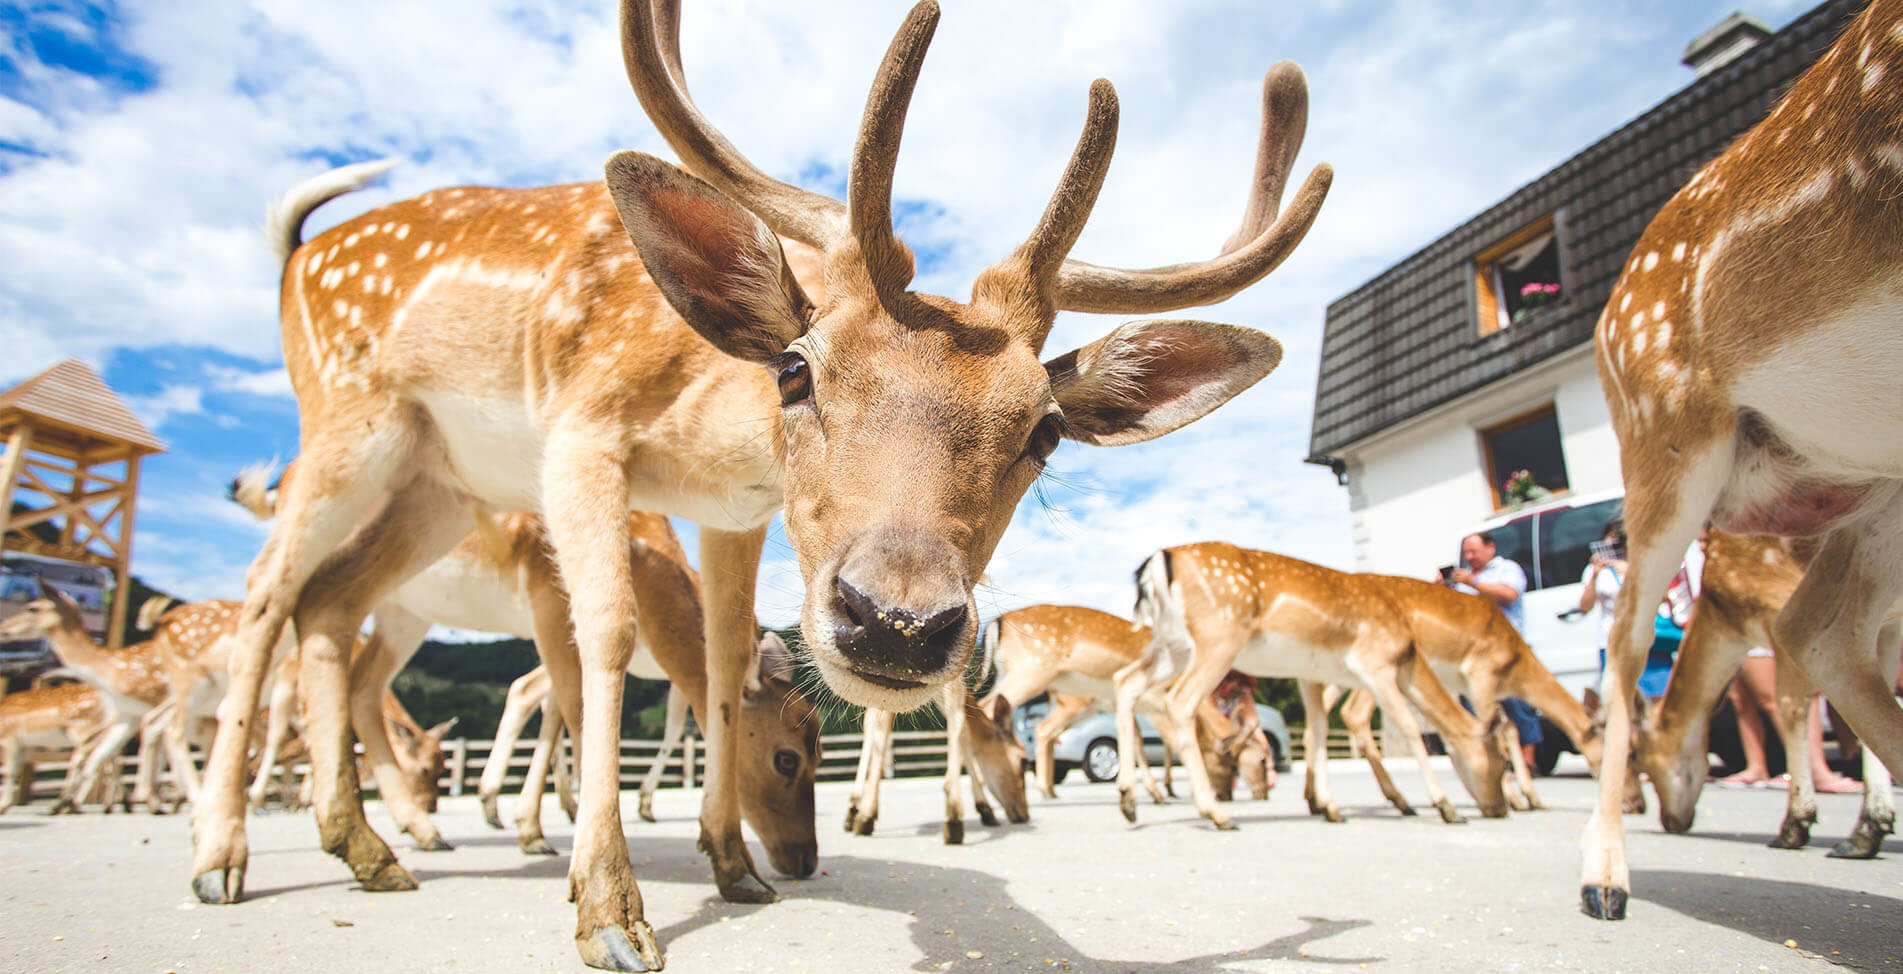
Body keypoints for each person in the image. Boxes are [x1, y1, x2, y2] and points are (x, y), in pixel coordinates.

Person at [1450, 531, 1541, 771]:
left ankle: (1528, 760)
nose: (1469, 557)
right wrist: (1443, 591)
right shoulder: (1464, 579)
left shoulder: (1506, 569)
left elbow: (1510, 595)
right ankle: (1491, 760)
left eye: (1474, 551)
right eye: (1466, 553)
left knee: (1519, 704)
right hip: (1475, 653)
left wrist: (1473, 583)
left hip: (1508, 647)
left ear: (1491, 548)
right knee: (1475, 707)